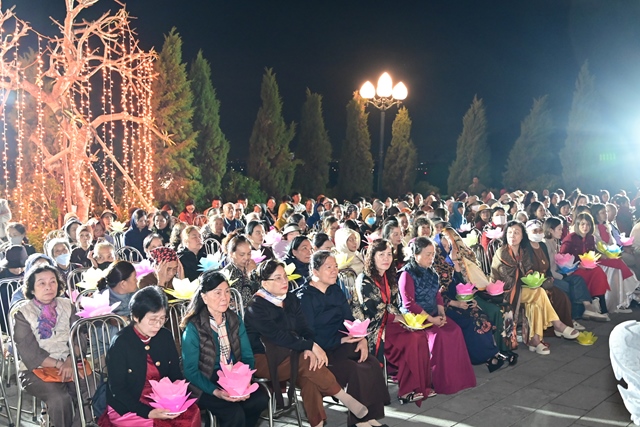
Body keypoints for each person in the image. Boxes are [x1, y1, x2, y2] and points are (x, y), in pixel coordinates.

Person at [244, 260, 369, 427]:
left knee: (309, 372)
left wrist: (308, 346)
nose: (284, 281)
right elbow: (278, 336)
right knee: (306, 362)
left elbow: (305, 328)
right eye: (278, 278)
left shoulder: (290, 298)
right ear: (265, 283)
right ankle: (344, 397)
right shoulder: (255, 307)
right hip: (264, 358)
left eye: (285, 276)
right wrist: (309, 346)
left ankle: (318, 424)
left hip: (292, 352)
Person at [297, 251, 390, 426]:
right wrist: (340, 341)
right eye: (329, 267)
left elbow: (349, 319)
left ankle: (370, 417)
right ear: (315, 272)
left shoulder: (335, 290)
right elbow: (308, 334)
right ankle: (360, 421)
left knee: (371, 362)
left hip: (342, 343)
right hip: (323, 350)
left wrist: (361, 338)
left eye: (335, 266)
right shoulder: (304, 298)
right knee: (355, 369)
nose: (334, 271)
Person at [352, 239, 436, 404]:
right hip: (375, 328)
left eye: (389, 254)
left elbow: (396, 305)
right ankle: (406, 391)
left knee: (419, 335)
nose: (386, 258)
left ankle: (421, 386)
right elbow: (372, 312)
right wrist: (398, 318)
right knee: (411, 340)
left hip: (392, 322)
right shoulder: (364, 279)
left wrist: (403, 319)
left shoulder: (389, 276)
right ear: (372, 257)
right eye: (381, 254)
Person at [180, 270, 268, 427]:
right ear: (204, 297)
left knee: (259, 400)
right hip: (204, 381)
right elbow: (190, 371)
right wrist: (216, 392)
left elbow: (247, 356)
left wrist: (244, 381)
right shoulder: (194, 327)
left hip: (232, 376)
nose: (224, 297)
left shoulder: (234, 320)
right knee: (234, 413)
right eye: (218, 293)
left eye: (227, 292)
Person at [104, 286, 201, 426]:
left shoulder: (165, 336)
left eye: (162, 319)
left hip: (160, 399)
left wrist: (176, 399)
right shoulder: (121, 343)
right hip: (129, 405)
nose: (158, 325)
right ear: (136, 316)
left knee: (192, 412)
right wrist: (147, 412)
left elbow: (175, 374)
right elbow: (118, 390)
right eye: (153, 319)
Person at [13, 265, 91, 427]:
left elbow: (79, 337)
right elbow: (30, 353)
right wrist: (60, 365)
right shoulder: (23, 313)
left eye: (52, 282)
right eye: (42, 283)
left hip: (71, 362)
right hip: (36, 369)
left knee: (91, 387)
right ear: (32, 289)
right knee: (59, 398)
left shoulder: (68, 306)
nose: (48, 287)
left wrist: (70, 360)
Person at [398, 237, 477, 392]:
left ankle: (457, 379)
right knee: (439, 335)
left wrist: (441, 313)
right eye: (427, 254)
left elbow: (437, 295)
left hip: (433, 313)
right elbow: (409, 304)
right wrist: (432, 319)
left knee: (455, 330)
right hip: (415, 318)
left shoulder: (432, 272)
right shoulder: (406, 274)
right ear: (416, 255)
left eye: (433, 254)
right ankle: (440, 380)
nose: (431, 258)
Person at [491, 221, 578, 355]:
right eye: (509, 232)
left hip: (522, 289)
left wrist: (534, 280)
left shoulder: (523, 252)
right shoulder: (502, 252)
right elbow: (508, 281)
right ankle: (557, 324)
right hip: (505, 291)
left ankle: (535, 340)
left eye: (516, 233)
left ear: (522, 236)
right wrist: (529, 281)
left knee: (536, 301)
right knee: (538, 293)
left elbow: (528, 271)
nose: (512, 235)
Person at [431, 233, 504, 371]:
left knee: (481, 315)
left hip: (459, 302)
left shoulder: (450, 264)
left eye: (447, 246)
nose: (446, 249)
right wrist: (455, 303)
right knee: (471, 321)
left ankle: (492, 353)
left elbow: (462, 286)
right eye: (442, 246)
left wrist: (470, 300)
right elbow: (435, 295)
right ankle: (483, 357)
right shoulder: (433, 268)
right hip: (444, 306)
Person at [561, 212, 638, 313]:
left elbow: (592, 253)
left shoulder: (590, 238)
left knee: (600, 272)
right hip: (575, 268)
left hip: (589, 266)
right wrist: (577, 265)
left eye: (588, 224)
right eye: (582, 224)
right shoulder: (571, 238)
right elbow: (562, 257)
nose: (585, 227)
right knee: (595, 272)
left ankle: (603, 305)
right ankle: (597, 305)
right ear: (577, 225)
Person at [543, 217, 608, 322]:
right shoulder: (546, 244)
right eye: (559, 229)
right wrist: (564, 275)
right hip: (551, 277)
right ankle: (573, 318)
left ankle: (588, 307)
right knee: (570, 286)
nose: (562, 232)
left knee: (578, 279)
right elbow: (548, 269)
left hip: (560, 272)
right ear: (551, 230)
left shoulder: (555, 243)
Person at [221, 234, 259, 305]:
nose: (246, 258)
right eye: (242, 255)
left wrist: (255, 273)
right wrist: (249, 276)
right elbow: (243, 301)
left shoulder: (252, 266)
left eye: (249, 254)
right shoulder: (227, 274)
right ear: (231, 254)